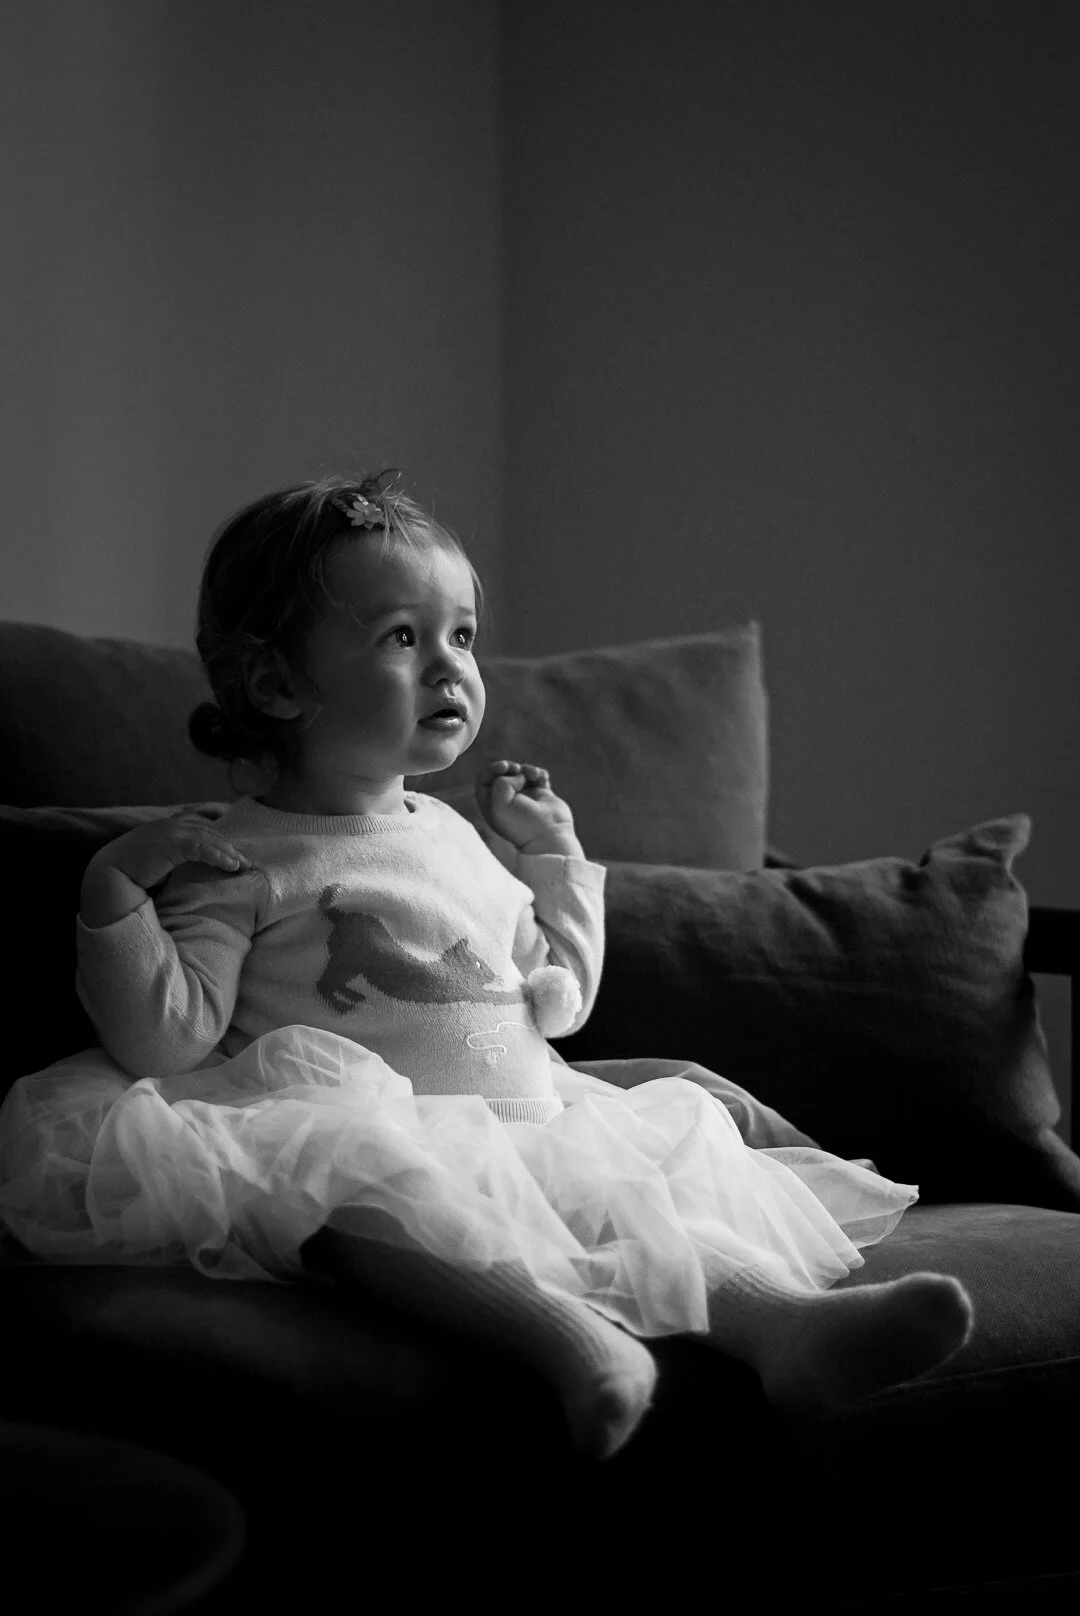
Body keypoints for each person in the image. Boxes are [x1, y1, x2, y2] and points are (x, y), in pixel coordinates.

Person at [0, 470, 974, 1462]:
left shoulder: (459, 833)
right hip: (351, 1129)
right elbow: (170, 1037)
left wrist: (554, 862)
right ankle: (577, 1346)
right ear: (276, 683)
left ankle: (792, 1329)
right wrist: (114, 899)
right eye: (402, 637)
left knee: (636, 1194)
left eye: (461, 635)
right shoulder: (236, 854)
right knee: (366, 1199)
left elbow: (557, 1001)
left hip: (529, 1122)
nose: (450, 668)